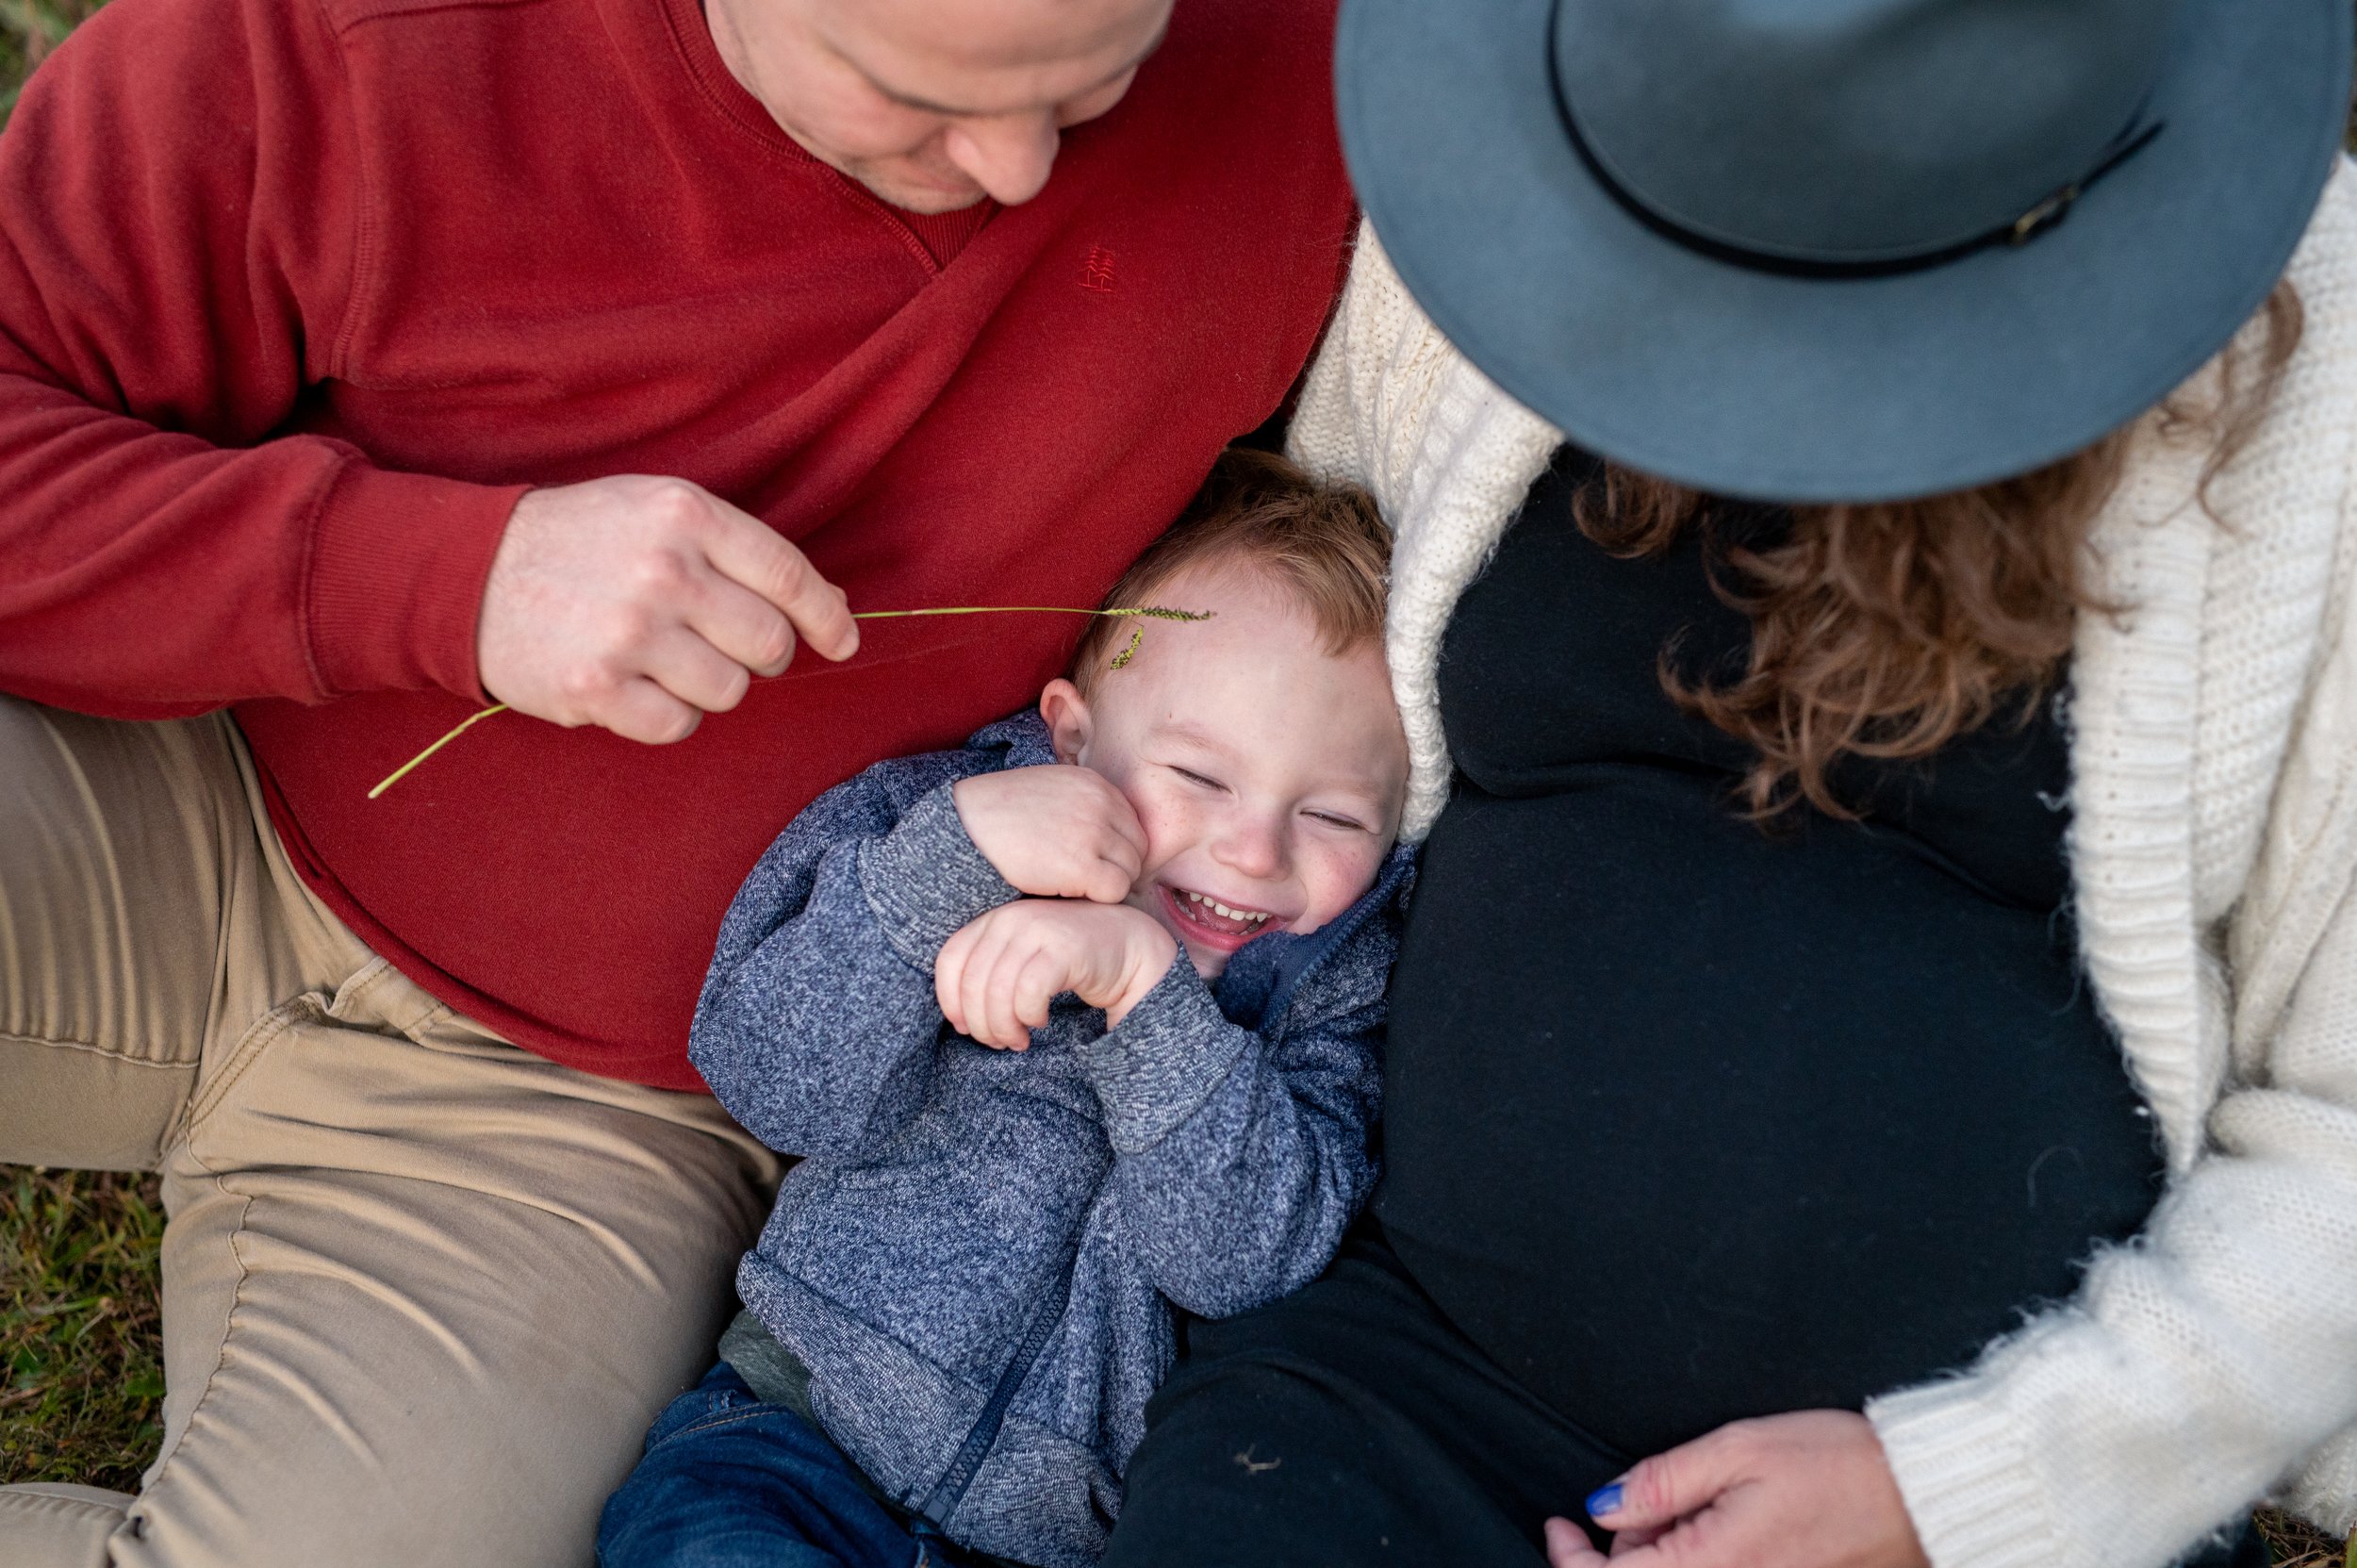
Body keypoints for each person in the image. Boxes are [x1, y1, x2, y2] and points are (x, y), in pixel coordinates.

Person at [0, 0, 1356, 1558]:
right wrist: (451, 578)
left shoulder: (1320, 68)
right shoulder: (351, 42)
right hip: (172, 799)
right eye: (916, 98)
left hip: (570, 1120)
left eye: (1089, 86)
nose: (1016, 165)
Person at [1103, 3, 2357, 1567]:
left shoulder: (2323, 398)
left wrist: (1960, 1491)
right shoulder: (1518, 186)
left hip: (1982, 1467)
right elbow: (1274, 654)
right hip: (1406, 1379)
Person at [595, 452, 1412, 1568]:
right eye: (1202, 778)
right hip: (792, 1437)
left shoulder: (1332, 982)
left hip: (1051, 1544)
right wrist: (950, 863)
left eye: (1332, 814)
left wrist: (1144, 991)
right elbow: (768, 1078)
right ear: (1075, 736)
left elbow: (1237, 1262)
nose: (1254, 850)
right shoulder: (948, 823)